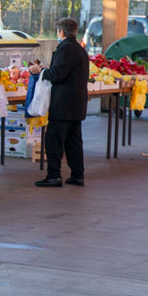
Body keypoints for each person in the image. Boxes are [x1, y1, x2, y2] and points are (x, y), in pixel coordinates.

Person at [28, 17, 90, 188]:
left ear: (61, 32)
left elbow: (57, 74)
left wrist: (40, 71)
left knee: (54, 140)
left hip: (64, 104)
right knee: (73, 141)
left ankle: (54, 175)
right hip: (77, 103)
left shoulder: (66, 48)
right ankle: (77, 175)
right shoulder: (79, 49)